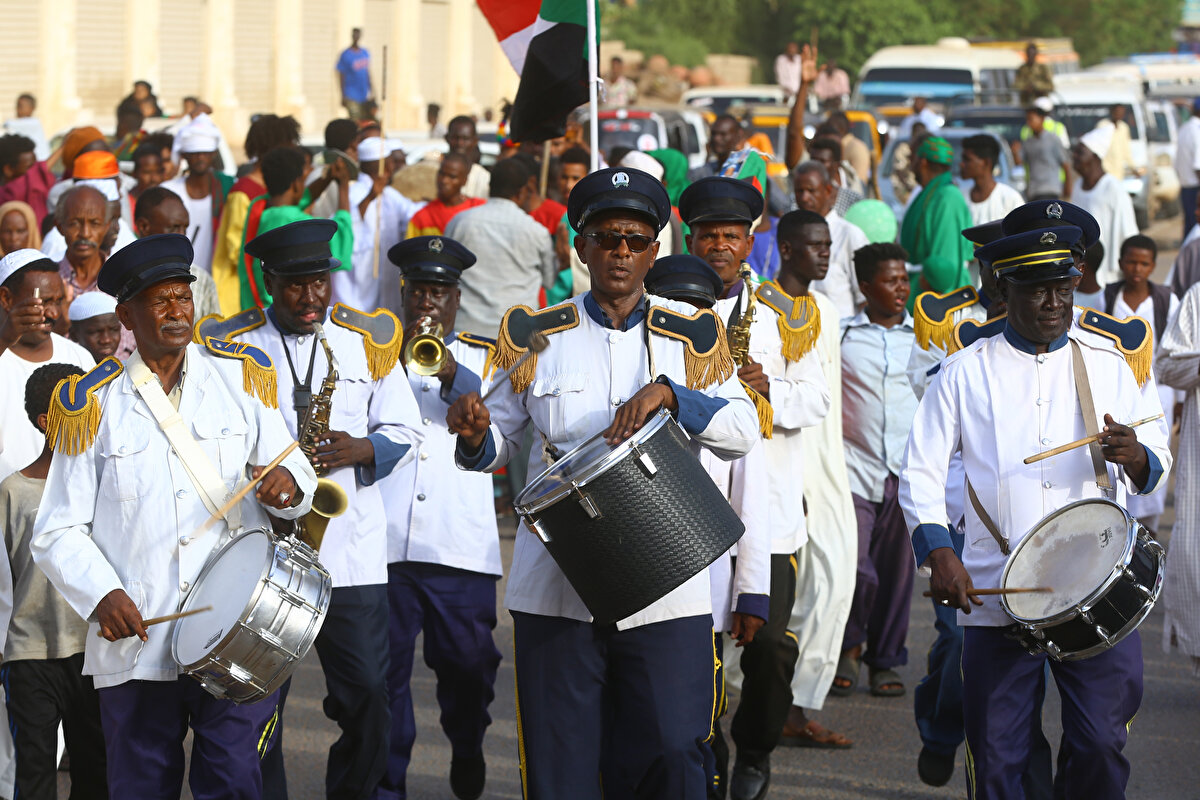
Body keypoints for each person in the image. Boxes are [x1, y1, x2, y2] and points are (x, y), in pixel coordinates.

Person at [446, 167, 758, 798]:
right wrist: (476, 434)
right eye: (608, 238)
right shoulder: (536, 333)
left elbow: (743, 429)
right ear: (580, 245)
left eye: (637, 241)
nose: (621, 252)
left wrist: (675, 395)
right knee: (562, 768)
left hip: (666, 581)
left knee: (672, 753)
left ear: (655, 251)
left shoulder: (693, 333)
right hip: (558, 589)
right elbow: (496, 443)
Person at [30, 233, 317, 800]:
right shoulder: (93, 405)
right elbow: (58, 529)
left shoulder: (239, 379)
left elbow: (296, 469)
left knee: (234, 780)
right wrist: (101, 594)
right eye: (159, 301)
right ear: (125, 313)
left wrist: (290, 486)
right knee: (141, 786)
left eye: (183, 298)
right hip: (139, 637)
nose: (175, 311)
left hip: (237, 629)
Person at [900, 222, 1171, 799]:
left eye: (1064, 287)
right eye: (1037, 288)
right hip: (1001, 588)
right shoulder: (963, 371)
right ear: (1005, 289)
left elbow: (1159, 458)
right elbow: (920, 472)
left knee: (1100, 742)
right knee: (999, 758)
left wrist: (1138, 456)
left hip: (1095, 586)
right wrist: (939, 551)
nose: (1054, 302)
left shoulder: (1107, 364)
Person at [210, 219, 423, 800]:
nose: (311, 298)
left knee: (368, 700)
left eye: (319, 283)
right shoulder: (231, 346)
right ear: (267, 280)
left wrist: (364, 447)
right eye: (295, 285)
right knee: (257, 704)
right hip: (264, 551)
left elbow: (407, 428)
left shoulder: (364, 338)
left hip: (350, 552)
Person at [682, 176, 830, 800]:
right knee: (693, 653)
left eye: (732, 235)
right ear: (690, 240)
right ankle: (704, 756)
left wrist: (769, 388)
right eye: (708, 235)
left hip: (768, 514)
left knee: (768, 647)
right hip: (689, 511)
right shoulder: (667, 310)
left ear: (750, 242)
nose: (720, 245)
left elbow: (819, 398)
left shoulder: (783, 316)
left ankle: (756, 751)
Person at [377, 236, 502, 800]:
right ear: (404, 293)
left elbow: (499, 435)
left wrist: (454, 374)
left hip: (459, 549)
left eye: (440, 293)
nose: (429, 303)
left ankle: (468, 744)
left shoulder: (488, 358)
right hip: (384, 548)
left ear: (456, 299)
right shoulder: (372, 354)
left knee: (469, 672)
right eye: (419, 291)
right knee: (384, 682)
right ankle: (387, 786)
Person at [643, 253, 771, 800]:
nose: (684, 319)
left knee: (698, 717)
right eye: (671, 307)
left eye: (697, 309)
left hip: (707, 585)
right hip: (633, 575)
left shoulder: (726, 392)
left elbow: (752, 501)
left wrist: (753, 593)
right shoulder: (632, 376)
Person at [0, 362, 108, 800]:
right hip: (29, 654)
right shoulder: (12, 491)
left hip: (94, 652)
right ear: (47, 420)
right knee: (36, 772)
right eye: (76, 405)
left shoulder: (104, 483)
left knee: (95, 769)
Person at [772, 210, 857, 752]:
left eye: (828, 244)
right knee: (775, 588)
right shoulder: (760, 308)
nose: (825, 254)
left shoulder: (825, 307)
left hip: (828, 463)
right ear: (785, 249)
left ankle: (798, 703)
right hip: (780, 459)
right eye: (814, 245)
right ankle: (766, 701)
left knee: (833, 579)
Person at [834, 243, 918, 699]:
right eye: (890, 280)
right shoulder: (841, 335)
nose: (901, 287)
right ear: (866, 287)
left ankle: (884, 660)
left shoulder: (925, 338)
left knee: (896, 573)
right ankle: (848, 646)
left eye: (904, 278)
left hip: (905, 474)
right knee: (855, 567)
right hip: (854, 468)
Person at [1104, 234, 1179, 535]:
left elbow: (1174, 348)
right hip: (1119, 394)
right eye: (1131, 262)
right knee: (1122, 456)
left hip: (1158, 393)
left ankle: (1149, 532)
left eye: (1144, 263)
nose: (1137, 268)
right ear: (1121, 263)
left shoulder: (1164, 300)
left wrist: (1182, 399)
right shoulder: (1109, 298)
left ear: (1153, 266)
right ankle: (1124, 529)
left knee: (1154, 453)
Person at [0, 249, 95, 481]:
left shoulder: (78, 356)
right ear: (6, 298)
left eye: (58, 301)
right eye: (42, 303)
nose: (53, 313)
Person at [443, 158, 557, 338]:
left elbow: (445, 273)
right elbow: (549, 281)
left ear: (490, 186)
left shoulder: (459, 222)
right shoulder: (536, 231)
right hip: (516, 336)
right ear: (522, 192)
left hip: (464, 330)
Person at [237, 146, 352, 310]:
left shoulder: (260, 208)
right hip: (281, 314)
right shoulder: (295, 221)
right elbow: (342, 240)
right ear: (296, 184)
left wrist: (328, 178)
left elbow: (300, 198)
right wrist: (344, 186)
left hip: (253, 308)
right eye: (303, 181)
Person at [212, 114, 302, 314]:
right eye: (288, 145)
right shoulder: (244, 192)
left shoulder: (277, 191)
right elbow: (237, 250)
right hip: (240, 298)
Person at [337, 136, 422, 312]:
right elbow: (344, 229)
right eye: (391, 161)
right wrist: (369, 198)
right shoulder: (354, 194)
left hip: (386, 293)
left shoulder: (390, 195)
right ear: (385, 165)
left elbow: (414, 213)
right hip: (356, 295)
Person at [53, 185, 136, 358]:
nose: (85, 233)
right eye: (74, 223)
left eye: (94, 223)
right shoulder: (48, 284)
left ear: (106, 227)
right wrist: (58, 328)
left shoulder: (128, 281)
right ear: (60, 227)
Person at [900, 137, 972, 308]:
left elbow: (945, 263)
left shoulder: (947, 198)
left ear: (922, 162)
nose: (911, 165)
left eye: (912, 159)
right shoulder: (931, 192)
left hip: (941, 302)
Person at [792, 160, 868, 319]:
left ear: (828, 191)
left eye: (811, 191)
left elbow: (865, 299)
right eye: (800, 191)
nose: (805, 198)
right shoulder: (791, 233)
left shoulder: (849, 235)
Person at [134, 187, 220, 321]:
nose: (182, 236)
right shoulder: (122, 278)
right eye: (174, 227)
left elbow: (215, 335)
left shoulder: (201, 280)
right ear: (144, 226)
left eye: (185, 228)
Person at [160, 127, 234, 274]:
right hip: (176, 273)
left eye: (205, 153)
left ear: (213, 154)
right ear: (185, 155)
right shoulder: (168, 191)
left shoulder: (229, 189)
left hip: (217, 279)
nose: (200, 157)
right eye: (195, 153)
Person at [1072, 127, 1139, 287]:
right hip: (1082, 275)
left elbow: (1129, 234)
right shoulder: (1077, 186)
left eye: (1080, 152)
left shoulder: (1114, 189)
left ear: (1095, 156)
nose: (1074, 157)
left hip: (1109, 278)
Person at [405, 153, 485, 238]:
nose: (444, 180)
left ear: (464, 181)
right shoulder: (421, 217)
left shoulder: (480, 208)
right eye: (441, 174)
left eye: (452, 176)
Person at [960, 134, 1024, 226]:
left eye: (967, 160)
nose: (961, 164)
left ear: (986, 162)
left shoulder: (1010, 199)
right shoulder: (961, 198)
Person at [1020, 102, 1072, 202]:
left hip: (1051, 189)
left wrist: (1068, 189)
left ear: (1042, 119)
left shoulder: (1053, 139)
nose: (1029, 123)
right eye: (1027, 120)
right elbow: (1021, 162)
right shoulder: (1028, 142)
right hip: (1033, 190)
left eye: (1031, 119)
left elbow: (1066, 164)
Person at [0, 133, 55, 224]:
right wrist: (63, 147)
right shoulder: (9, 193)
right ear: (8, 170)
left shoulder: (33, 191)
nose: (35, 171)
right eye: (30, 168)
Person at [807, 137, 864, 217]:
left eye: (822, 161)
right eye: (813, 160)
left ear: (836, 165)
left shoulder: (853, 199)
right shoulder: (800, 198)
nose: (816, 166)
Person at [67, 291, 122, 363]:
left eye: (114, 329)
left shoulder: (128, 370)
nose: (106, 340)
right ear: (74, 335)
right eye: (95, 332)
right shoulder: (65, 372)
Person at [444, 117, 491, 200]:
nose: (460, 143)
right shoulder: (434, 172)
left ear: (475, 141)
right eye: (455, 138)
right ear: (447, 139)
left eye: (465, 139)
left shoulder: (483, 178)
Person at [826, 112, 871, 190]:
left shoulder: (856, 148)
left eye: (829, 127)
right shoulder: (837, 145)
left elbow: (859, 182)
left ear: (841, 129)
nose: (827, 130)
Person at [1176, 98, 1200, 241]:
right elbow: (1198, 165)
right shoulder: (1197, 131)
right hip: (1195, 187)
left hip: (1186, 187)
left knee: (1190, 229)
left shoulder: (1185, 128)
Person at [337, 28, 374, 120]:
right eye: (354, 35)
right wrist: (342, 95)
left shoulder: (365, 53)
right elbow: (341, 75)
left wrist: (372, 92)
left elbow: (368, 73)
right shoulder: (345, 54)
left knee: (365, 120)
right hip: (351, 94)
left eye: (358, 35)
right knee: (355, 119)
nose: (356, 37)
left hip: (364, 95)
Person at [4, 94, 49, 161]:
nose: (17, 109)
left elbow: (7, 124)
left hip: (37, 163)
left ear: (32, 108)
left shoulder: (33, 123)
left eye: (21, 106)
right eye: (17, 106)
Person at [1097, 104, 1134, 181]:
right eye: (1117, 112)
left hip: (1118, 170)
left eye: (1121, 112)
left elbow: (1126, 151)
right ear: (1112, 112)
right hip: (1104, 169)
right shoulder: (1103, 125)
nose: (1119, 114)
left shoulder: (1124, 127)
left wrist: (1133, 168)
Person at [1015, 42, 1055, 107]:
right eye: (1029, 54)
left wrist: (1037, 87)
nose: (1030, 56)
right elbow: (1016, 85)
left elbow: (1050, 86)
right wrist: (1026, 87)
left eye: (1032, 54)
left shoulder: (1042, 68)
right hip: (1026, 103)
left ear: (1036, 54)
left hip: (1041, 104)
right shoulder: (1022, 69)